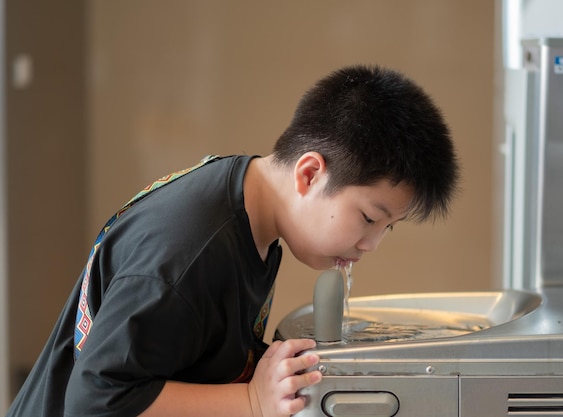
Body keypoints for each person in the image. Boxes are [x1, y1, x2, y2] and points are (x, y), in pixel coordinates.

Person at [6, 64, 459, 417]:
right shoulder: (190, 251)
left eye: (387, 228)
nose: (370, 245)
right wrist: (252, 402)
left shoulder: (251, 210)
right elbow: (96, 400)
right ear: (309, 174)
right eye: (368, 218)